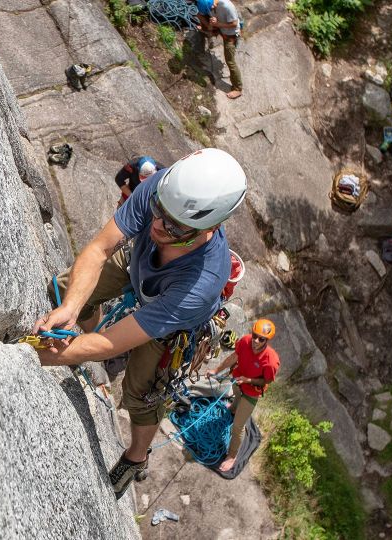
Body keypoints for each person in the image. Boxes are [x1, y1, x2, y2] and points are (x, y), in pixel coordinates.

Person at [33, 148, 247, 498]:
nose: (159, 224)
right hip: (138, 262)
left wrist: (39, 354)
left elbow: (115, 341)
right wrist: (71, 307)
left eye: (175, 224)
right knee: (65, 288)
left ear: (211, 227)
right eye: (159, 212)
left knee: (142, 394)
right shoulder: (166, 188)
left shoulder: (202, 283)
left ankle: (136, 457)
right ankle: (86, 329)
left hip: (169, 321)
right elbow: (100, 249)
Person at [206, 319, 280, 472]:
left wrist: (248, 380)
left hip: (252, 392)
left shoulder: (271, 361)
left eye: (261, 339)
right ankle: (233, 409)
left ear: (267, 341)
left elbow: (266, 381)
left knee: (238, 427)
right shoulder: (245, 341)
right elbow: (234, 357)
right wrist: (216, 370)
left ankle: (232, 456)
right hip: (238, 380)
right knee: (235, 398)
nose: (256, 340)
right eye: (255, 335)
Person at [196, 0, 243, 100]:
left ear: (213, 4)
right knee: (199, 15)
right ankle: (210, 34)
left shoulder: (226, 6)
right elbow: (201, 14)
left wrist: (217, 24)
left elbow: (234, 24)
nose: (211, 10)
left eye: (212, 9)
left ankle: (238, 88)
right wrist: (210, 25)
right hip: (221, 28)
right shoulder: (208, 5)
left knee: (230, 62)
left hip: (231, 34)